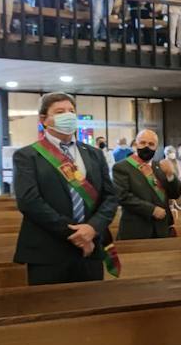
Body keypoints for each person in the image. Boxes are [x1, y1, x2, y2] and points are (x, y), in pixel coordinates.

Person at [12, 93, 120, 285]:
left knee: (94, 310)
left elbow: (110, 197)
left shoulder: (94, 154)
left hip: (91, 248)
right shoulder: (28, 156)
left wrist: (92, 228)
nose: (68, 116)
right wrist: (76, 235)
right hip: (48, 251)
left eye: (71, 111)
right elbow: (29, 201)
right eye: (60, 112)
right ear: (44, 120)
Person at [112, 129, 181, 239]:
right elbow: (122, 196)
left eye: (151, 144)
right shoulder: (121, 167)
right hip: (136, 231)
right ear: (136, 144)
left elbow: (175, 194)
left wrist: (170, 175)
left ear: (156, 147)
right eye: (143, 143)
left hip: (162, 231)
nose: (146, 147)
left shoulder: (160, 167)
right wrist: (151, 210)